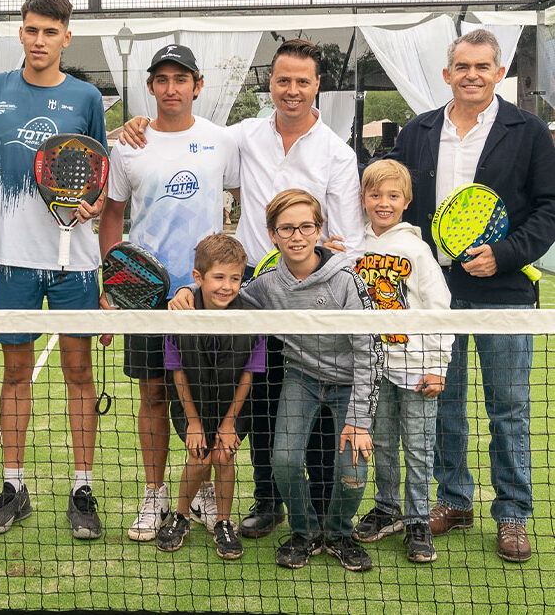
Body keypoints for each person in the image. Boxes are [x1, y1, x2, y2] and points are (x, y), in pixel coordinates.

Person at [144, 39, 365, 539]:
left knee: (312, 415)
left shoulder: (338, 152)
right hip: (254, 299)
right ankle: (268, 501)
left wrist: (316, 263)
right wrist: (135, 127)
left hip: (312, 307)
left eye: (302, 81)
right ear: (270, 83)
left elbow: (347, 239)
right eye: (283, 80)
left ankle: (321, 510)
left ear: (317, 85)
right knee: (264, 406)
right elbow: (178, 136)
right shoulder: (241, 136)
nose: (292, 90)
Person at [387, 29, 555, 563]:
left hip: (505, 293)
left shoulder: (528, 131)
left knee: (509, 409)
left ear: (499, 72)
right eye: (462, 66)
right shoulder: (416, 133)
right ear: (447, 74)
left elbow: (549, 208)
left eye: (483, 66)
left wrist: (503, 255)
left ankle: (512, 515)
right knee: (446, 404)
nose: (472, 75)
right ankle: (454, 501)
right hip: (435, 297)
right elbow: (399, 207)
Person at [0, 0, 107, 539]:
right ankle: (13, 485)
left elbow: (99, 169)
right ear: (20, 33)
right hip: (9, 260)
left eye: (50, 32)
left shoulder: (87, 96)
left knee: (79, 372)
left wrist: (93, 203)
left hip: (76, 262)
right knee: (15, 375)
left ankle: (82, 488)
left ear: (66, 37)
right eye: (31, 30)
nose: (39, 40)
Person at [98, 43, 240, 540]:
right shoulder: (128, 145)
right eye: (162, 79)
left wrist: (225, 272)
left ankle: (200, 494)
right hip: (146, 296)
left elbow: (245, 200)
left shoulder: (222, 141)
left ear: (197, 85)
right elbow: (113, 216)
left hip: (206, 294)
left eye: (181, 79)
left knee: (207, 401)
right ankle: (155, 496)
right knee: (155, 395)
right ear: (152, 87)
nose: (171, 88)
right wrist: (114, 286)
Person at [227, 189, 382, 572]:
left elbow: (369, 350)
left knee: (352, 471)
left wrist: (360, 419)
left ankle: (339, 533)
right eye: (287, 229)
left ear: (319, 230)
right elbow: (229, 301)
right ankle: (305, 532)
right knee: (284, 460)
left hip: (349, 383)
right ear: (272, 234)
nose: (297, 236)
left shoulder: (346, 281)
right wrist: (185, 293)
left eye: (306, 227)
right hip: (302, 378)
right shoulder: (266, 285)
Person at [350, 159, 452, 563]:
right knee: (384, 444)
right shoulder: (355, 246)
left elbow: (439, 307)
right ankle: (386, 506)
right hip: (376, 368)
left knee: (419, 448)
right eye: (375, 195)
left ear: (407, 200)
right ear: (363, 199)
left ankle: (418, 520)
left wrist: (437, 366)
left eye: (393, 195)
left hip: (417, 369)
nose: (384, 203)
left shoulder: (417, 249)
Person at [154, 234, 262, 560]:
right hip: (192, 405)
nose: (227, 286)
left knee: (223, 457)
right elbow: (177, 372)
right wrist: (193, 423)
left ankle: (223, 522)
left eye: (235, 278)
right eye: (218, 277)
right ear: (198, 278)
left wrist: (229, 423)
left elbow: (249, 374)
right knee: (200, 457)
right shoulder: (180, 315)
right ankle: (181, 516)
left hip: (235, 405)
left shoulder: (252, 316)